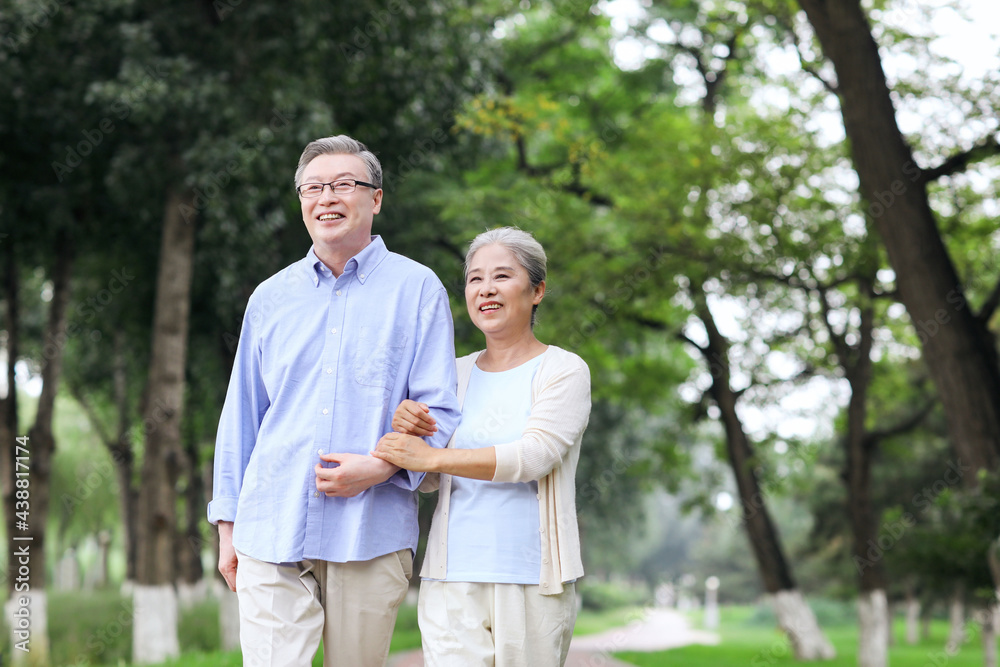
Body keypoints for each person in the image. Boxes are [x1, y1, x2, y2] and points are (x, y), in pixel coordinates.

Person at [207, 135, 461, 667]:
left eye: (343, 184)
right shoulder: (270, 297)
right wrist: (228, 527)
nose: (327, 197)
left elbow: (437, 411)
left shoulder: (418, 290)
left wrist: (377, 467)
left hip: (370, 530)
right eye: (312, 188)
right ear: (301, 202)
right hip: (269, 527)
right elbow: (242, 417)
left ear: (376, 198)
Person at [373, 227, 591, 667]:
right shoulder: (451, 374)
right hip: (450, 579)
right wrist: (410, 431)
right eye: (475, 278)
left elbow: (532, 457)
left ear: (537, 291)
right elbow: (431, 480)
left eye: (502, 276)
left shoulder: (564, 371)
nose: (486, 289)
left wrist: (430, 455)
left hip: (533, 581)